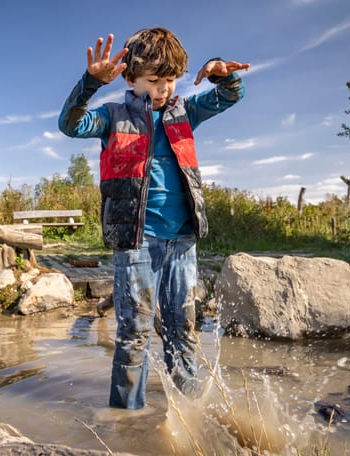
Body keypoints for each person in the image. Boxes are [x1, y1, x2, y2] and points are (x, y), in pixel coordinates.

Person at [58, 27, 249, 410]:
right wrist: (89, 83)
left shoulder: (186, 112)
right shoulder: (112, 116)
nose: (163, 89)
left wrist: (222, 75)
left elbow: (231, 95)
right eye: (153, 81)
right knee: (134, 332)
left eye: (170, 80)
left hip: (181, 240)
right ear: (129, 78)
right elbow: (70, 124)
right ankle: (127, 421)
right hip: (136, 241)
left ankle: (189, 414)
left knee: (183, 329)